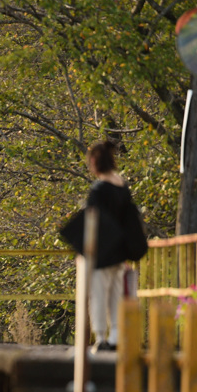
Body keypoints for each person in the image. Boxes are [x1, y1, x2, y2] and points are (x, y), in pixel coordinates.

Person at [62, 140, 148, 352]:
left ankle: (101, 337)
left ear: (94, 162)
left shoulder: (99, 189)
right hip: (120, 252)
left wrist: (83, 250)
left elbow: (92, 220)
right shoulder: (122, 186)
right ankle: (117, 336)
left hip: (101, 252)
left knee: (98, 295)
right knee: (116, 295)